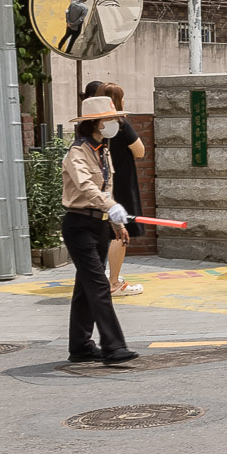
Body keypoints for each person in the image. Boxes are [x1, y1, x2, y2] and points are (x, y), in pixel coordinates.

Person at [61, 92, 140, 366]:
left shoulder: (103, 150)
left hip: (99, 223)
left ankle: (80, 346)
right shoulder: (77, 152)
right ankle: (114, 346)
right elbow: (86, 186)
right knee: (98, 285)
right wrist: (111, 207)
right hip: (79, 223)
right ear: (95, 123)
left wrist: (116, 221)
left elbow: (107, 187)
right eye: (110, 119)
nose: (116, 123)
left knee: (86, 287)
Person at [87, 79, 148, 296]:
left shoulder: (88, 126)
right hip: (120, 183)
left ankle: (100, 277)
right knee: (118, 234)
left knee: (100, 232)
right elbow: (140, 151)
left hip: (94, 185)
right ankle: (113, 282)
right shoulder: (121, 125)